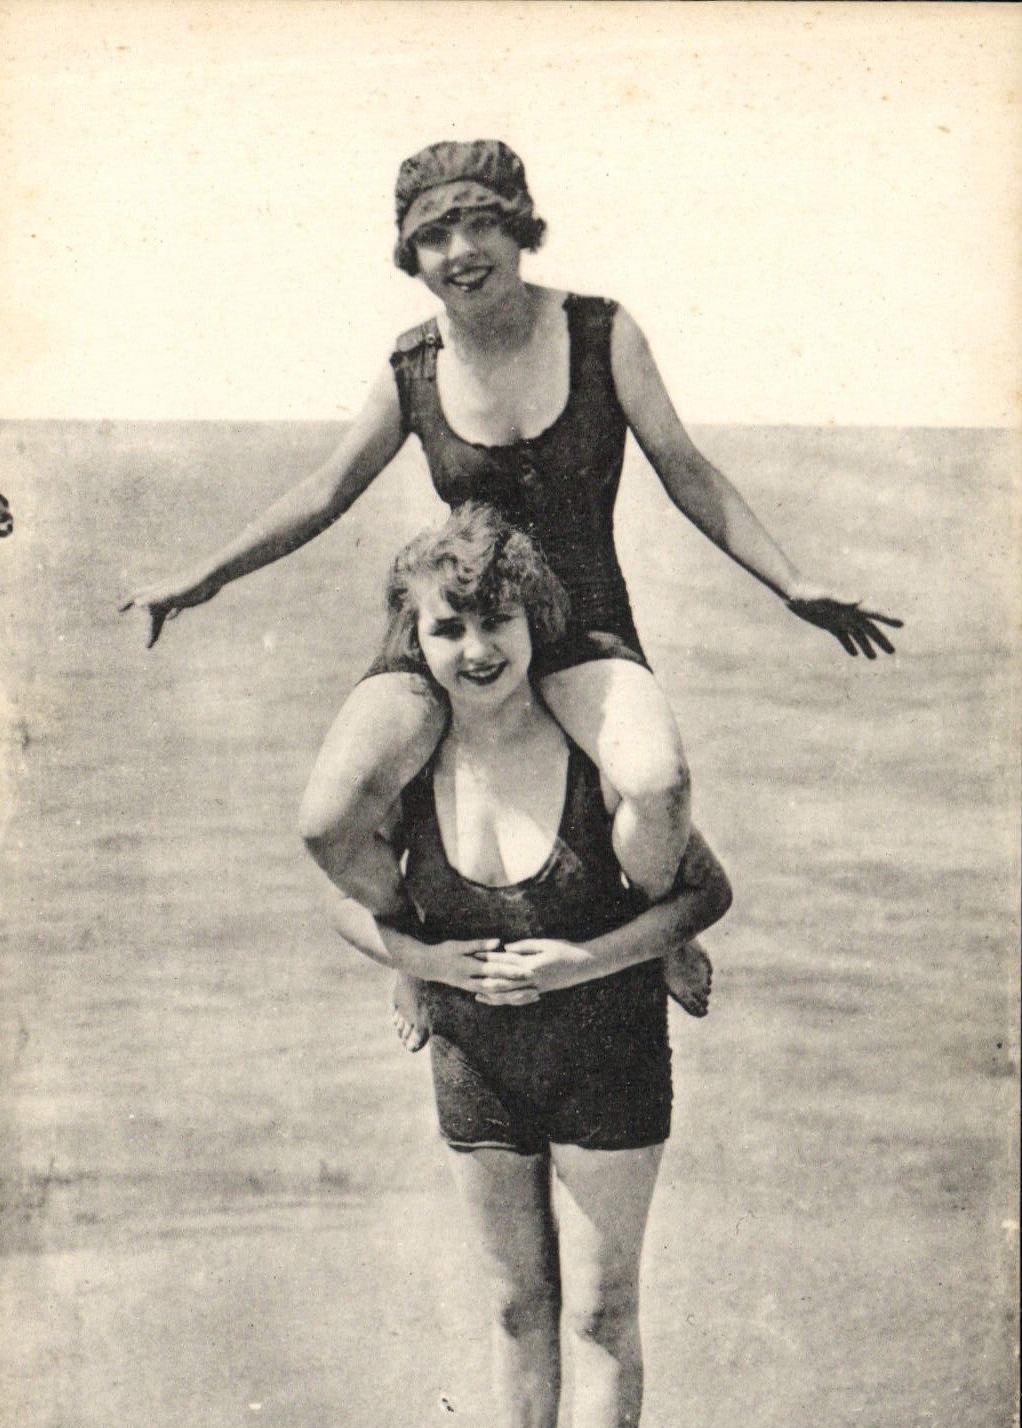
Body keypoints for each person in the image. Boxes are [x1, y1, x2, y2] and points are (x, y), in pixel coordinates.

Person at [121, 139, 899, 1027]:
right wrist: (200, 577)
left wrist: (789, 582)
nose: (460, 254)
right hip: (456, 621)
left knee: (658, 787)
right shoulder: (412, 363)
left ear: (520, 227)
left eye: (480, 225)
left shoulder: (603, 331)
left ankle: (660, 925)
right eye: (433, 237)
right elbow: (325, 490)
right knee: (326, 819)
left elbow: (684, 468)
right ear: (410, 256)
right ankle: (410, 946)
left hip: (581, 622)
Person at [327, 502, 732, 1428]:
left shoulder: (590, 744)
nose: (475, 648)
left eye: (495, 621)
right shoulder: (412, 759)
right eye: (447, 629)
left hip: (608, 1044)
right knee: (515, 1305)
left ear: (532, 621)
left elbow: (707, 891)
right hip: (476, 1060)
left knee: (598, 1310)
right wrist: (417, 963)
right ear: (412, 643)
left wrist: (589, 957)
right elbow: (339, 895)